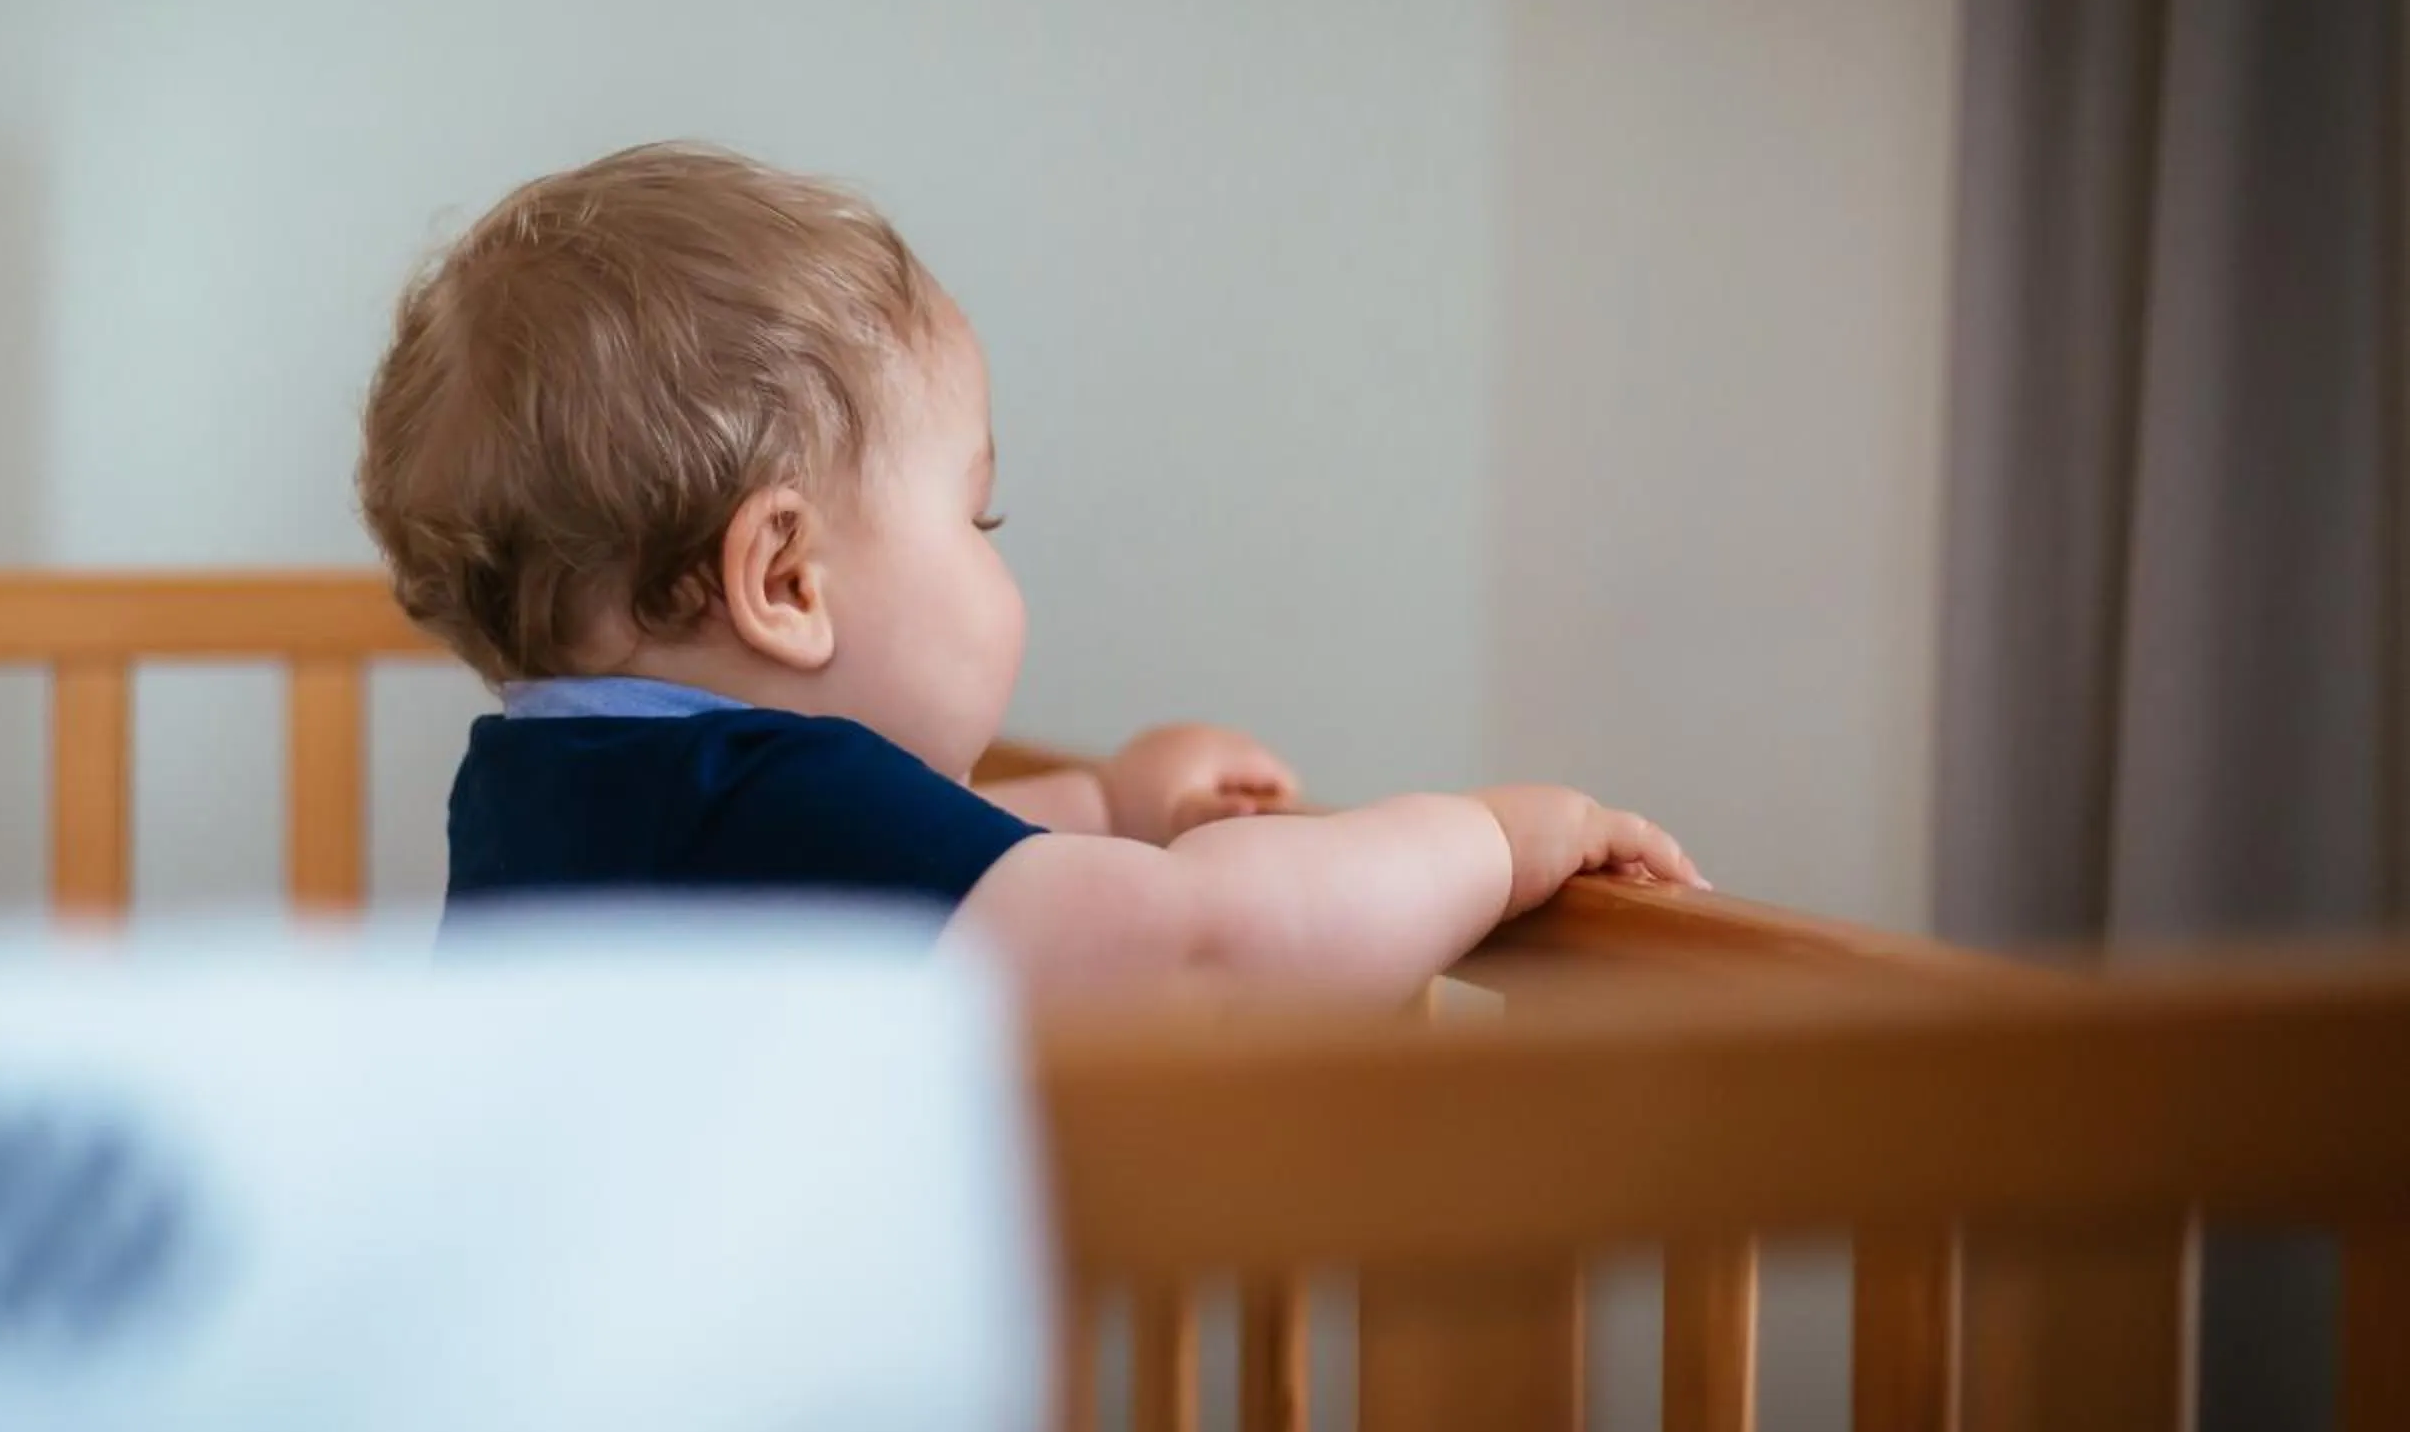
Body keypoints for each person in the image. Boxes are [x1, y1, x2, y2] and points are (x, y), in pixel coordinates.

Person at [358, 144, 1699, 983]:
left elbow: (938, 879)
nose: (998, 564)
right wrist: (1492, 842)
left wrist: (1109, 803)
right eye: (975, 519)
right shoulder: (755, 793)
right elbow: (1200, 940)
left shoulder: (564, 792)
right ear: (785, 581)